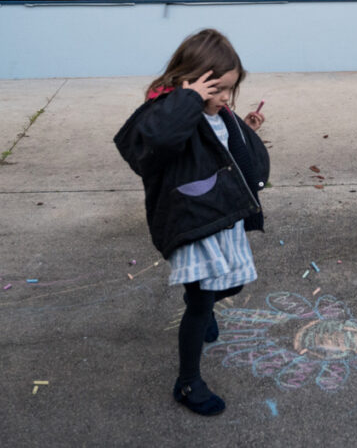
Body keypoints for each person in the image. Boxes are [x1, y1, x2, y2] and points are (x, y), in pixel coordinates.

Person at [113, 29, 269, 416]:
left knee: (232, 282)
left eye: (230, 89)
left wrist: (245, 128)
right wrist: (187, 100)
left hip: (221, 217)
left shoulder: (219, 114)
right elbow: (155, 144)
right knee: (200, 303)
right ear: (190, 82)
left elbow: (226, 152)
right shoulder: (166, 116)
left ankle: (201, 304)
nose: (225, 99)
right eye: (216, 90)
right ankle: (188, 382)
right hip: (191, 223)